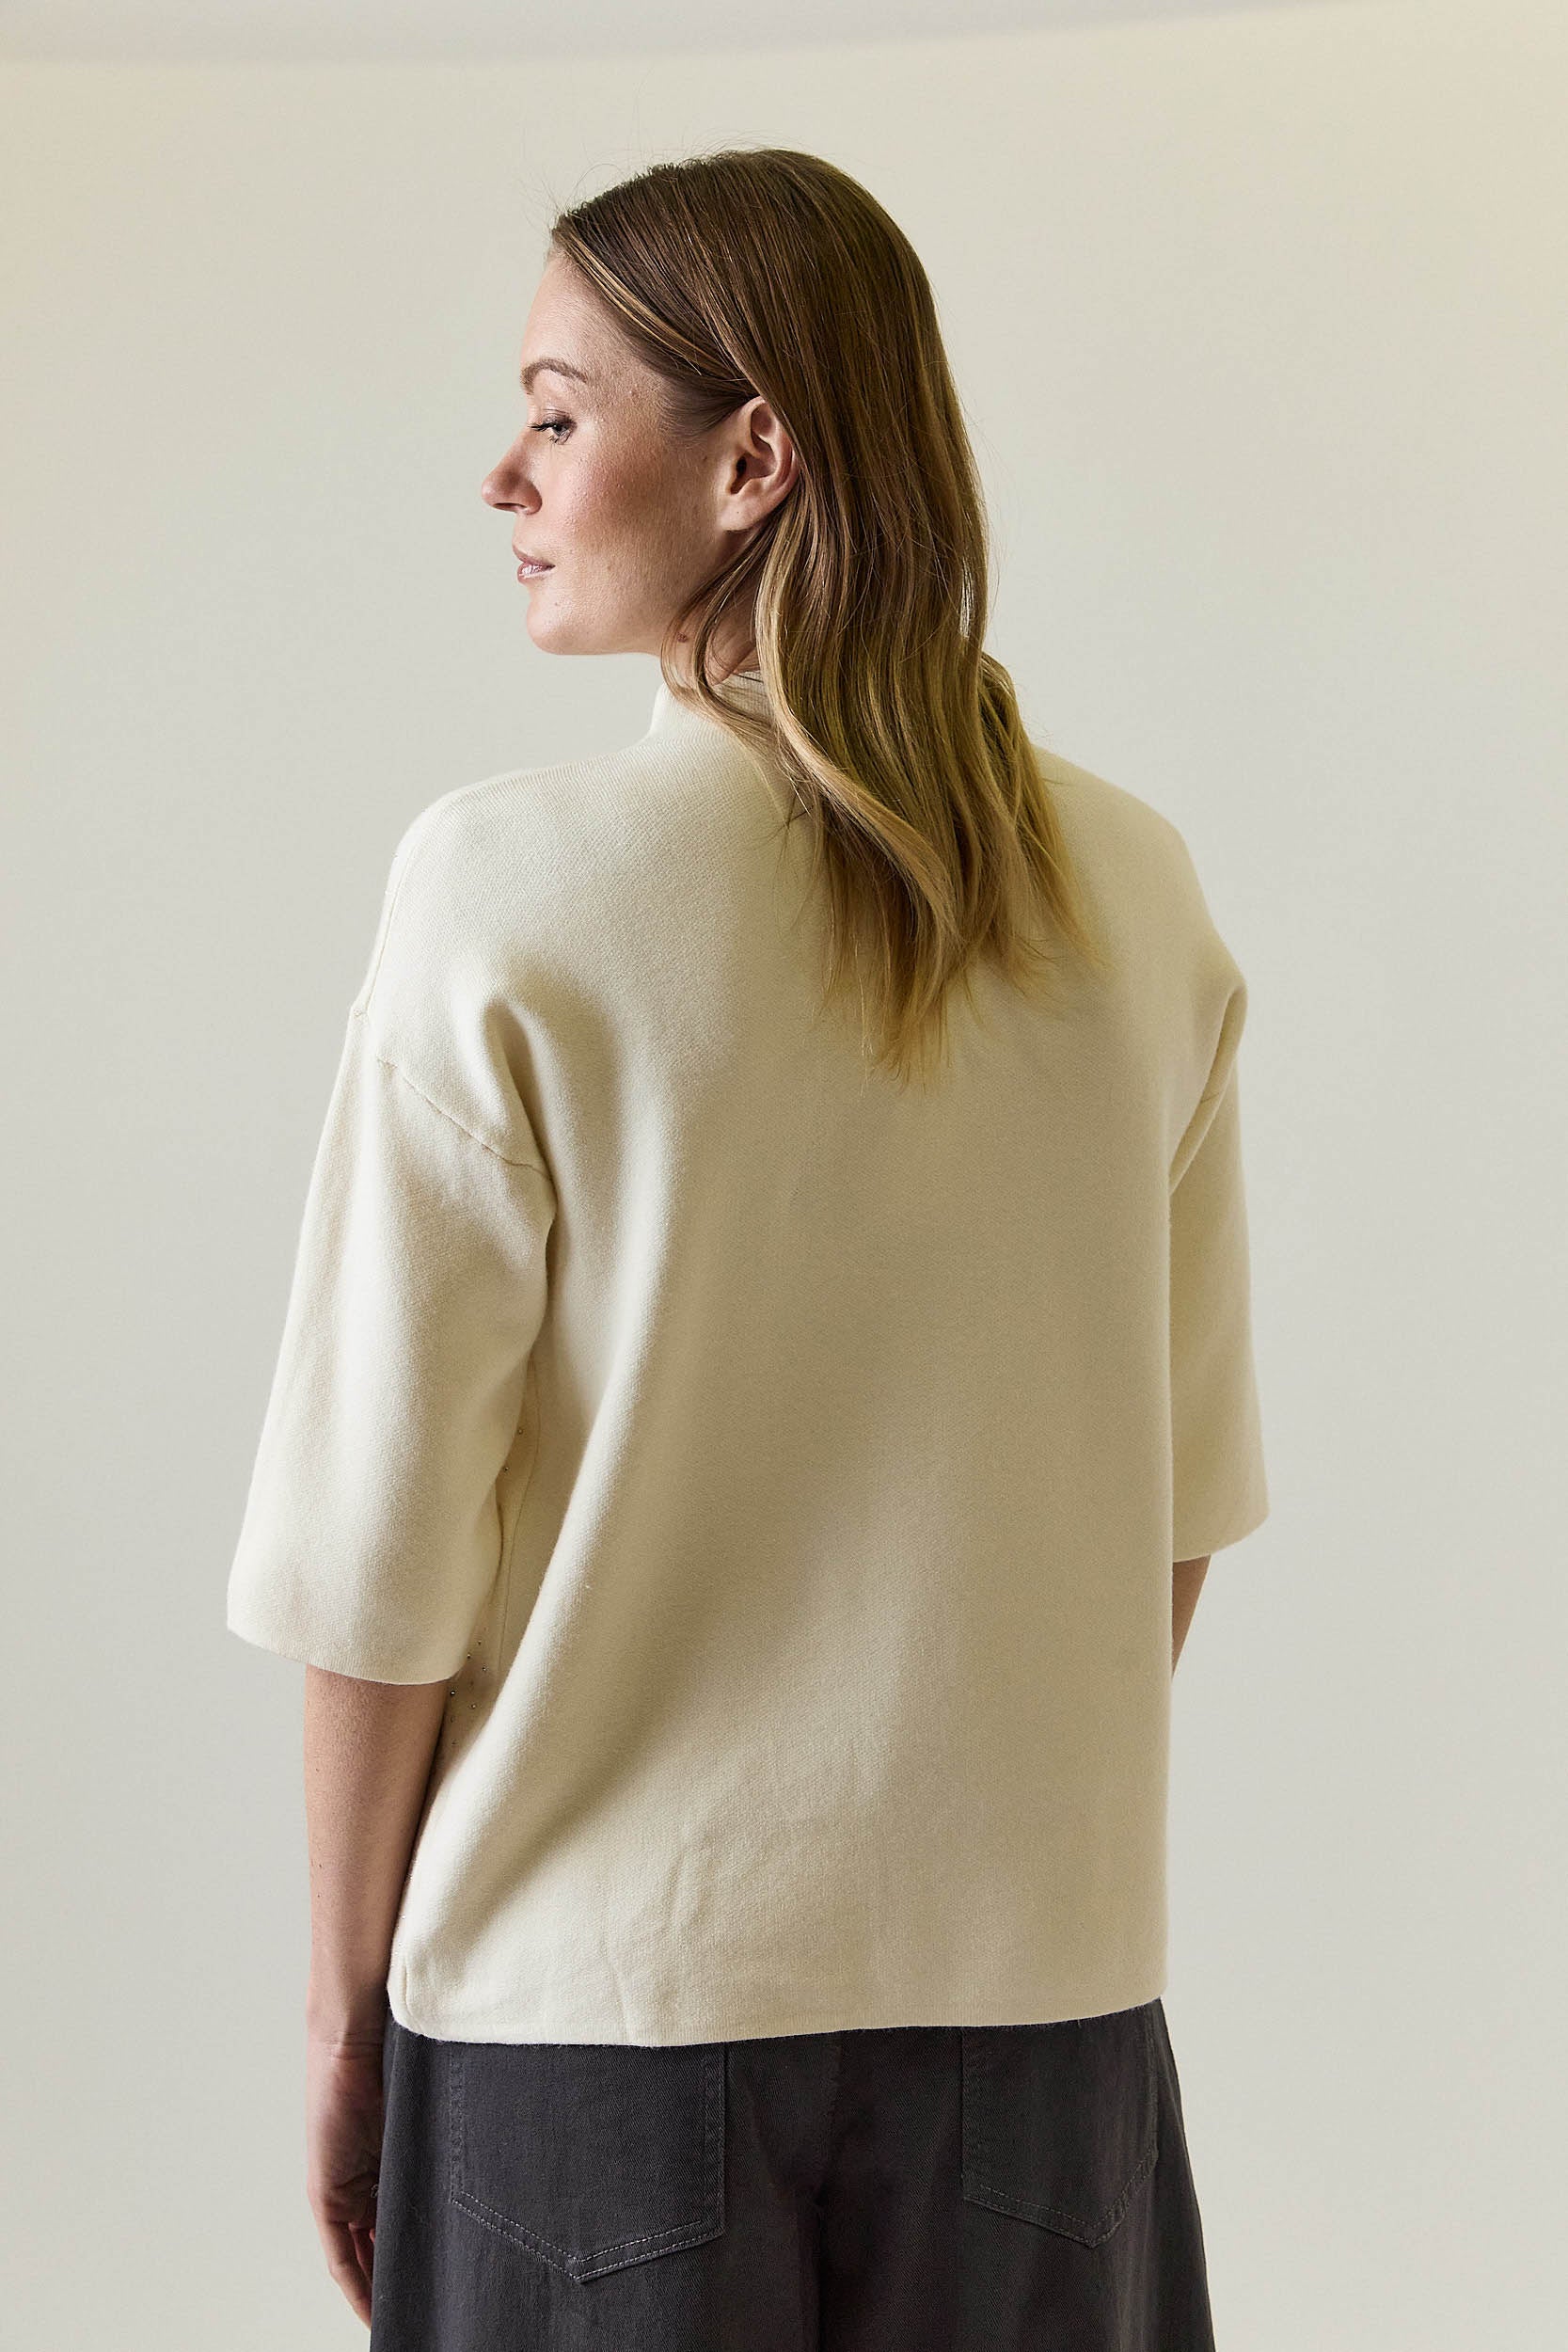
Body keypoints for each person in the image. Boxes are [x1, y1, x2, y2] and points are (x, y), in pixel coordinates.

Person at [226, 146, 1268, 2349]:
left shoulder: (508, 890)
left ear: (752, 459)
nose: (503, 472)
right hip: (1042, 2028)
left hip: (594, 2030)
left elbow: (371, 1557)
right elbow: (1164, 1515)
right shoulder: (1137, 890)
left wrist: (340, 2007)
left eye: (557, 409)